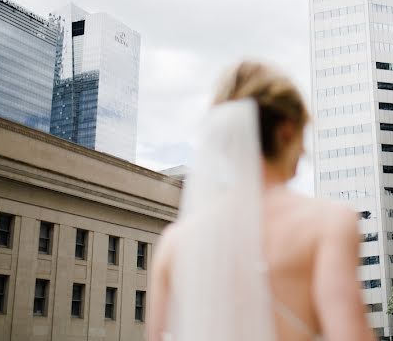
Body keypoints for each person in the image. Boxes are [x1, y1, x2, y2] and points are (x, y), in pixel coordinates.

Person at [148, 61, 374, 341]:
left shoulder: (174, 242)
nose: (304, 150)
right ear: (286, 132)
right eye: (303, 135)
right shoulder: (328, 223)